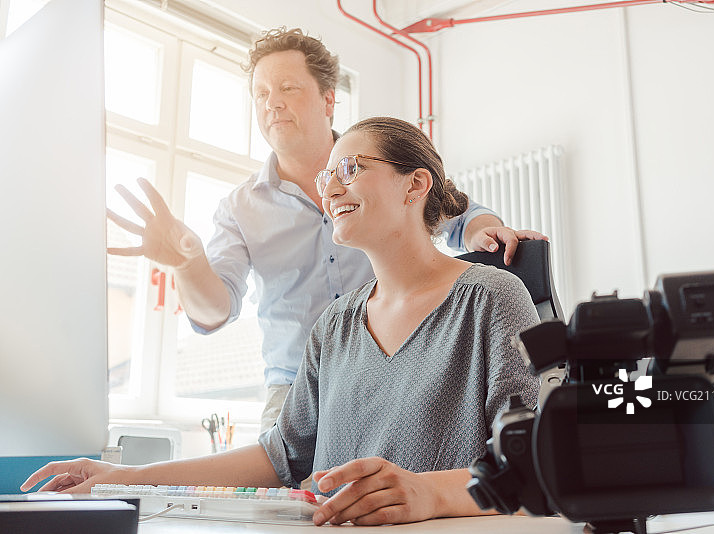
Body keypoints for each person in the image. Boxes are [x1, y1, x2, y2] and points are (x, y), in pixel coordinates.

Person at [23, 117, 541, 526]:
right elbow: (281, 457)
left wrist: (428, 493)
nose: (330, 189)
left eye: (351, 169)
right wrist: (127, 476)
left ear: (416, 185)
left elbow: (532, 462)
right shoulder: (334, 326)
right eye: (326, 177)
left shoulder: (491, 297)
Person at [107, 27, 546, 432]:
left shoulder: (382, 163)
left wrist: (484, 233)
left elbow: (458, 212)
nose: (271, 102)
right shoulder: (240, 208)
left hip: (396, 368)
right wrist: (188, 262)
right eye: (260, 93)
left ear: (328, 100)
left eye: (288, 88)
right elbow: (214, 310)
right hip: (294, 385)